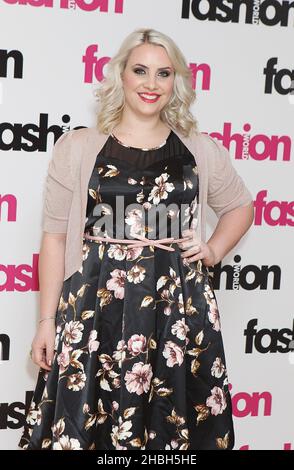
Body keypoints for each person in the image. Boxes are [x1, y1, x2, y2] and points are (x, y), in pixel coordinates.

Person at [19, 28, 254, 450]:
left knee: (169, 428)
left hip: (177, 309)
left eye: (163, 74)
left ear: (175, 82)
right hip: (93, 309)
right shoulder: (77, 147)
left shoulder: (199, 149)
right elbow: (54, 239)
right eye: (140, 70)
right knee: (88, 426)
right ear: (120, 75)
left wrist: (213, 248)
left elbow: (240, 207)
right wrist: (46, 322)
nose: (151, 84)